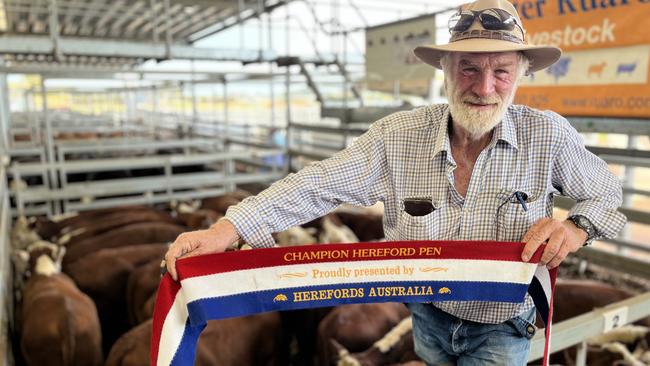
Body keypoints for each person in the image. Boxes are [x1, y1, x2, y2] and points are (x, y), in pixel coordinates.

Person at [165, 0, 626, 364]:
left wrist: (574, 227)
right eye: (468, 68)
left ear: (521, 75)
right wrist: (226, 231)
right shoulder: (398, 137)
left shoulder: (547, 135)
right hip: (424, 318)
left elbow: (606, 192)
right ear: (445, 72)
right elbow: (316, 184)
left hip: (502, 325)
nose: (484, 87)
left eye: (501, 71)